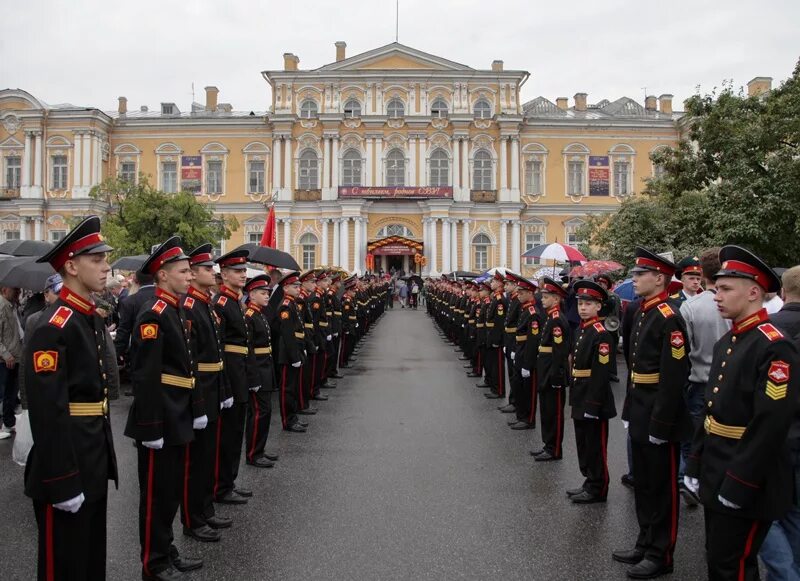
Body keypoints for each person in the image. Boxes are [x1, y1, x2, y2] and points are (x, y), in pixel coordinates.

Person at [685, 247, 799, 581]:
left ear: (753, 292)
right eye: (716, 288)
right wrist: (695, 462)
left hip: (747, 476)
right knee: (718, 558)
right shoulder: (730, 340)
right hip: (717, 466)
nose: (716, 296)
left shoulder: (774, 345)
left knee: (733, 564)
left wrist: (740, 482)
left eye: (725, 289)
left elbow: (770, 424)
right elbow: (711, 410)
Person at [24, 215, 118, 580]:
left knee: (90, 557)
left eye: (105, 258)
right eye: (97, 260)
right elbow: (48, 411)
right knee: (64, 564)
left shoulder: (87, 318)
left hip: (91, 455)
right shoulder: (55, 326)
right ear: (71, 265)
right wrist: (62, 480)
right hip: (67, 464)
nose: (106, 266)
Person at [124, 237, 203, 580]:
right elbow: (145, 375)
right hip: (160, 418)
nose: (190, 277)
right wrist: (152, 425)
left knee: (170, 492)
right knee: (156, 495)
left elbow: (186, 366)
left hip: (177, 412)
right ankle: (152, 563)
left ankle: (166, 549)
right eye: (184, 272)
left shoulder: (176, 308)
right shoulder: (153, 313)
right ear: (163, 275)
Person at [613, 247, 692, 579]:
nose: (634, 279)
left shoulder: (668, 317)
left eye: (638, 274)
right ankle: (645, 541)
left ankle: (662, 554)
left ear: (659, 278)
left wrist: (661, 422)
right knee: (644, 483)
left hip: (661, 414)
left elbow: (673, 377)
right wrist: (631, 408)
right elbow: (635, 369)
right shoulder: (645, 311)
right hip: (642, 406)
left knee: (662, 488)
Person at [179, 244, 233, 543]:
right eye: (207, 269)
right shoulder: (190, 306)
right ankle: (192, 517)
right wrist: (198, 400)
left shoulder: (206, 305)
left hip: (214, 386)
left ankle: (205, 508)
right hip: (200, 388)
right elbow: (193, 359)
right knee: (195, 460)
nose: (213, 272)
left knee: (207, 455)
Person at [677, 248, 728, 508]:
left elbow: (684, 350)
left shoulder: (692, 306)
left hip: (698, 380)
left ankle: (689, 479)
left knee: (694, 436)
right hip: (728, 383)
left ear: (703, 275)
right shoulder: (736, 304)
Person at [759, 264, 800, 579]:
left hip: (776, 433)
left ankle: (785, 574)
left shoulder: (767, 329)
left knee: (765, 511)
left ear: (783, 292)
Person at [567, 280, 617, 503]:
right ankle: (589, 481)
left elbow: (601, 373)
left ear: (599, 306)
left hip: (593, 398)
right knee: (583, 443)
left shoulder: (601, 333)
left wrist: (593, 405)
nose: (583, 308)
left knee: (595, 446)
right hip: (580, 393)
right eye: (580, 304)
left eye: (588, 304)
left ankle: (599, 487)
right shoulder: (581, 329)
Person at [212, 249, 253, 505]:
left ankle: (230, 481)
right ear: (224, 274)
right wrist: (226, 383)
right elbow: (220, 347)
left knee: (236, 430)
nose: (243, 275)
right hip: (231, 372)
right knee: (227, 436)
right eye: (237, 271)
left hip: (241, 371)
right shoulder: (222, 303)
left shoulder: (235, 301)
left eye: (244, 271)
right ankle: (221, 486)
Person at [531, 277, 571, 460]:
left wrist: (556, 376)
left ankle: (554, 449)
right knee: (546, 411)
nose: (542, 299)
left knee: (553, 413)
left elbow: (560, 352)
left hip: (552, 373)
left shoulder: (557, 320)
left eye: (546, 296)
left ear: (556, 299)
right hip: (545, 368)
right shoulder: (550, 317)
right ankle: (548, 445)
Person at [243, 274, 277, 468]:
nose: (267, 296)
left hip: (266, 366)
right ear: (252, 294)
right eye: (263, 293)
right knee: (258, 412)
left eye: (268, 293)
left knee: (265, 411)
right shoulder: (249, 316)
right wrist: (253, 376)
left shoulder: (260, 314)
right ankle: (253, 453)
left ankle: (260, 449)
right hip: (258, 369)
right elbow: (249, 349)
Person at [275, 271, 307, 432]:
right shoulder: (286, 306)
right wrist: (294, 356)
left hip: (295, 349)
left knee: (293, 387)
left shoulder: (292, 303)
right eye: (295, 286)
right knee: (287, 389)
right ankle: (287, 420)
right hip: (287, 354)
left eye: (299, 285)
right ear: (285, 287)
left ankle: (293, 417)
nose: (298, 288)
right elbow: (287, 334)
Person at [0, 284, 22, 437]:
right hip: (6, 358)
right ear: (4, 290)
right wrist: (6, 354)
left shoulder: (12, 306)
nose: (18, 292)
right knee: (5, 393)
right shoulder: (2, 307)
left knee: (11, 392)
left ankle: (9, 423)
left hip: (15, 356)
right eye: (15, 290)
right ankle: (5, 424)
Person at [597, 273, 621, 382]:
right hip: (596, 325)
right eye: (599, 283)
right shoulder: (594, 296)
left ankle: (611, 372)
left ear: (607, 285)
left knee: (610, 349)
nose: (600, 285)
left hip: (609, 325)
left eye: (603, 283)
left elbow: (616, 315)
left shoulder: (613, 297)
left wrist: (616, 330)